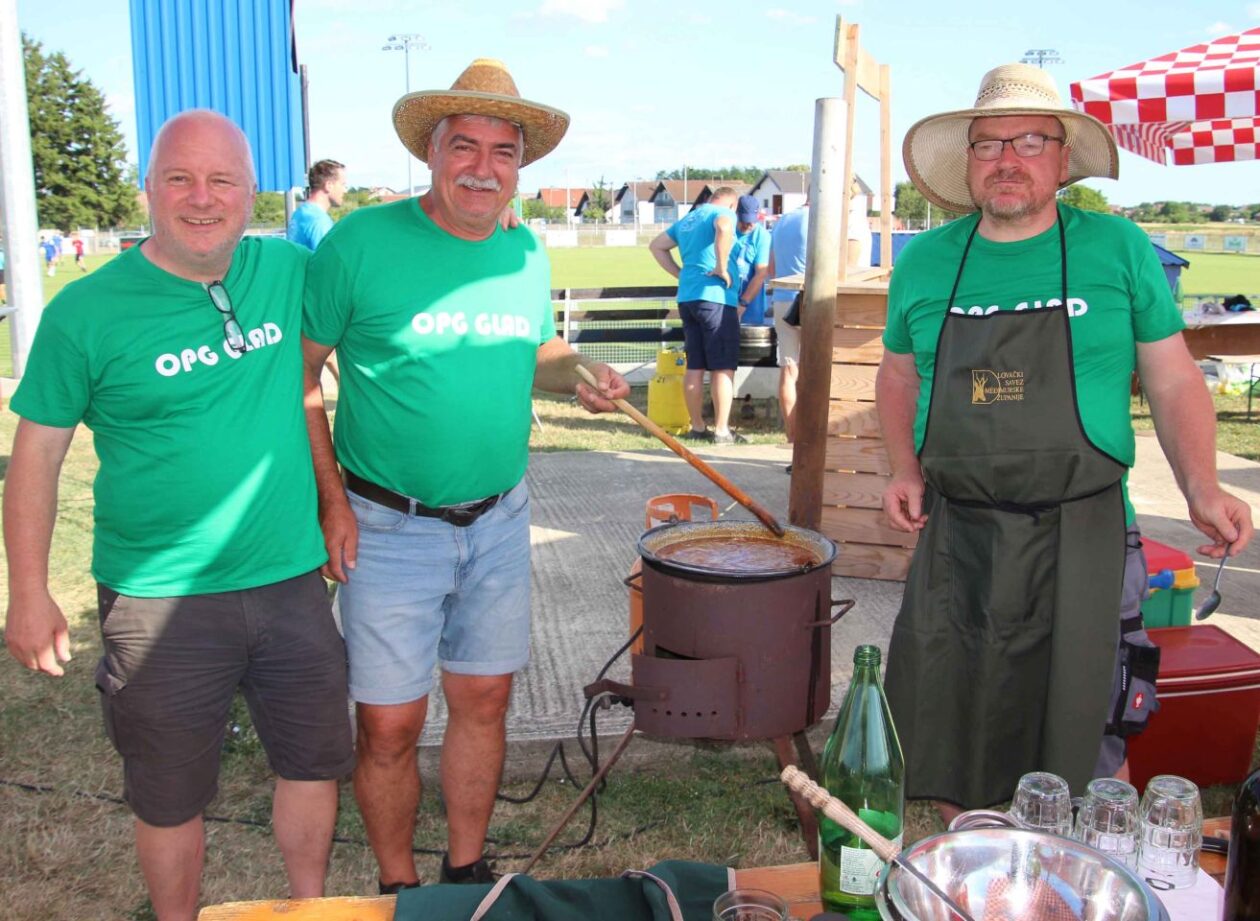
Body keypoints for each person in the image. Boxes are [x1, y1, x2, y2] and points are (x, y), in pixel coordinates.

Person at [875, 63, 1254, 820]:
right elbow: (897, 374)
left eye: (1029, 141)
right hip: (961, 529)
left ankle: (1071, 859)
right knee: (957, 702)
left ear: (1063, 157)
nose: (1006, 159)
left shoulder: (1116, 249)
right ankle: (976, 854)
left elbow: (1175, 379)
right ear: (968, 162)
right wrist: (903, 467)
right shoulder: (925, 261)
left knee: (1084, 707)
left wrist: (1201, 485)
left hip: (1086, 526)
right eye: (987, 145)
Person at [3, 110, 354, 920]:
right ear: (148, 189)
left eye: (222, 180)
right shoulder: (86, 312)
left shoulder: (289, 270)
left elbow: (382, 292)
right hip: (156, 595)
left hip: (291, 577)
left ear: (253, 193)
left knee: (312, 763)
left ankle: (310, 907)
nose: (202, 198)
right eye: (180, 179)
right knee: (167, 792)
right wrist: (28, 590)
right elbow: (37, 458)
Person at [300, 58, 629, 894]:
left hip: (498, 521)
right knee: (389, 724)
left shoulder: (523, 250)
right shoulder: (359, 244)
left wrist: (581, 370)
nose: (484, 167)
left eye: (504, 151)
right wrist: (330, 501)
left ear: (522, 165)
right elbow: (300, 379)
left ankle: (465, 867)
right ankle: (399, 886)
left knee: (484, 701)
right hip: (386, 525)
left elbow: (535, 353)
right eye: (465, 146)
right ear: (433, 152)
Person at [768, 184, 871, 451]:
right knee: (821, 372)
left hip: (782, 298)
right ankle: (816, 443)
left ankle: (794, 443)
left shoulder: (782, 222)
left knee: (789, 371)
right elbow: (848, 268)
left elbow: (771, 268)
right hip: (816, 301)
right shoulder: (829, 221)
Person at [648, 186, 744, 443]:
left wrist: (681, 274)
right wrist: (721, 267)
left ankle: (698, 427)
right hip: (716, 297)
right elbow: (724, 228)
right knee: (723, 367)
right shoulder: (724, 213)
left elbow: (656, 246)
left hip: (688, 297)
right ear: (732, 204)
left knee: (695, 365)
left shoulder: (689, 218)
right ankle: (722, 431)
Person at [287, 158, 346, 252]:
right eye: (343, 184)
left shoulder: (300, 213)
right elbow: (327, 262)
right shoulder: (319, 221)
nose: (344, 190)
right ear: (329, 185)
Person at [732, 195, 771, 326]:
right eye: (744, 220)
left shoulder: (762, 236)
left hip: (751, 305)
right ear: (737, 214)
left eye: (752, 221)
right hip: (725, 300)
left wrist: (743, 303)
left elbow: (761, 274)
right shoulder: (726, 230)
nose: (748, 224)